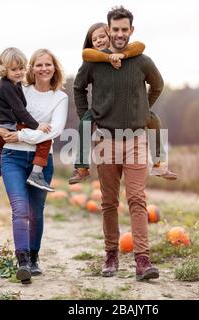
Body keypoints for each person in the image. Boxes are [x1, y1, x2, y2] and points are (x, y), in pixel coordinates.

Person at [73, 6, 162, 281]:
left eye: (125, 29)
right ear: (108, 30)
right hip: (105, 140)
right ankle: (111, 255)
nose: (120, 34)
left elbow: (157, 86)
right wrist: (86, 116)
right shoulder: (95, 63)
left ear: (131, 30)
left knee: (137, 198)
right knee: (109, 202)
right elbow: (78, 87)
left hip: (135, 139)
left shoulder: (142, 62)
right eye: (116, 30)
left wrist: (143, 112)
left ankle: (142, 261)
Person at [0, 49, 68, 284]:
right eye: (39, 64)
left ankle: (33, 258)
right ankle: (22, 263)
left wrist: (19, 135)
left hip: (42, 161)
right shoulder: (19, 88)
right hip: (12, 158)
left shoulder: (59, 97)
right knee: (20, 208)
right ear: (31, 68)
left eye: (48, 64)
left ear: (55, 67)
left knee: (35, 213)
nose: (44, 69)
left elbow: (55, 130)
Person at [69, 22, 177, 184]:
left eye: (102, 36)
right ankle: (82, 168)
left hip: (132, 112)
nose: (98, 41)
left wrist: (142, 107)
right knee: (84, 123)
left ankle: (159, 163)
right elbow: (80, 80)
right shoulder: (92, 61)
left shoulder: (131, 55)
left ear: (112, 35)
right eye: (94, 39)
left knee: (154, 120)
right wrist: (84, 112)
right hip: (102, 111)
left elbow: (140, 45)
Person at [0, 47, 54, 202]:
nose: (19, 72)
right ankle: (36, 174)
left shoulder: (15, 83)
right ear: (4, 70)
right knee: (45, 138)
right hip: (6, 126)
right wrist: (36, 125)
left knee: (2, 156)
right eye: (14, 69)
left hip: (5, 124)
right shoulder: (6, 87)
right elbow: (20, 111)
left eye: (21, 68)